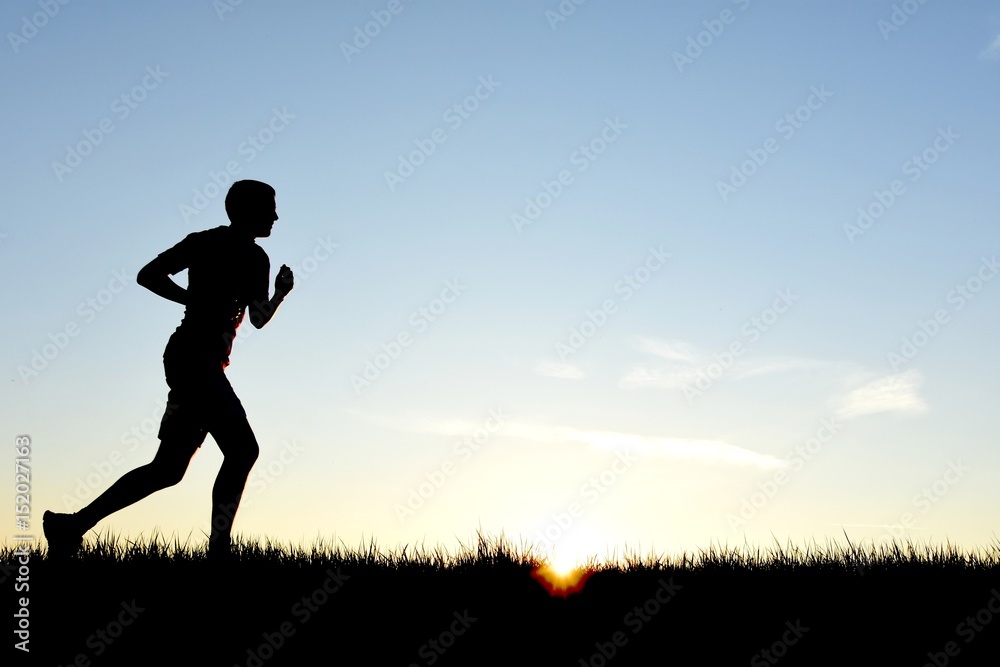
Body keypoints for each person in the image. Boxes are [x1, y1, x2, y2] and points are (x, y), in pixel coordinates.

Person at [43, 179, 294, 560]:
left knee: (168, 469)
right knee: (243, 450)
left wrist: (279, 293)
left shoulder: (255, 258)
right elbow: (149, 275)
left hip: (197, 362)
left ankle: (70, 526)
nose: (276, 215)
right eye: (269, 207)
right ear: (245, 210)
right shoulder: (207, 243)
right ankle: (219, 552)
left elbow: (256, 318)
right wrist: (193, 298)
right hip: (193, 361)